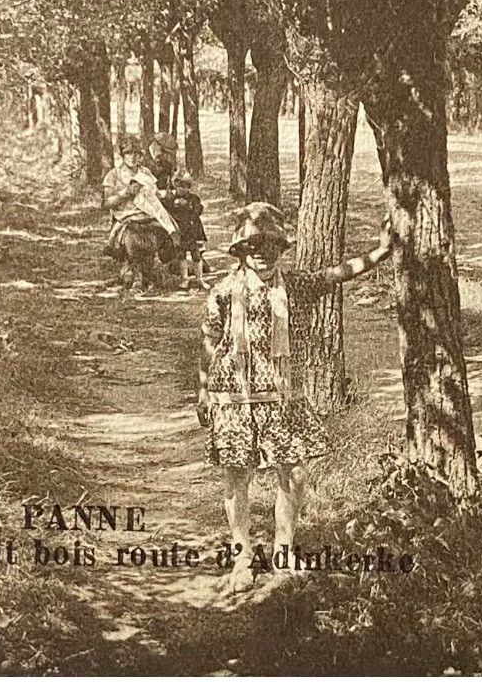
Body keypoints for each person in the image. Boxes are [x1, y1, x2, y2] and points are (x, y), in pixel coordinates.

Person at [197, 202, 390, 594]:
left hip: (283, 396)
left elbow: (337, 273)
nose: (262, 253)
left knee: (295, 472)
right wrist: (202, 390)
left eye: (270, 245)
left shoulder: (296, 286)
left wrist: (382, 251)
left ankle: (284, 550)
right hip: (234, 396)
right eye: (253, 245)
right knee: (237, 476)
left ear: (281, 249)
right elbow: (209, 339)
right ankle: (242, 557)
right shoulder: (223, 291)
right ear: (240, 250)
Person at [102, 134, 178, 261]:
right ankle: (128, 264)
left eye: (136, 154)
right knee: (132, 240)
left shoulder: (145, 172)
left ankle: (172, 265)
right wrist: (126, 193)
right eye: (128, 153)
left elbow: (154, 194)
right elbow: (106, 203)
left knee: (172, 232)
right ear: (122, 155)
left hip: (148, 214)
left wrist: (164, 195)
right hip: (128, 216)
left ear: (140, 155)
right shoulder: (114, 175)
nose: (132, 157)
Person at [167, 172, 208, 290]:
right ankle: (185, 279)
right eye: (179, 186)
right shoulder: (172, 200)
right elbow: (169, 213)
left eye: (184, 187)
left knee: (196, 254)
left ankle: (199, 278)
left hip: (193, 231)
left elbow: (198, 210)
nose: (181, 189)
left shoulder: (194, 198)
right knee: (181, 255)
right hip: (181, 232)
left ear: (189, 187)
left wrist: (187, 207)